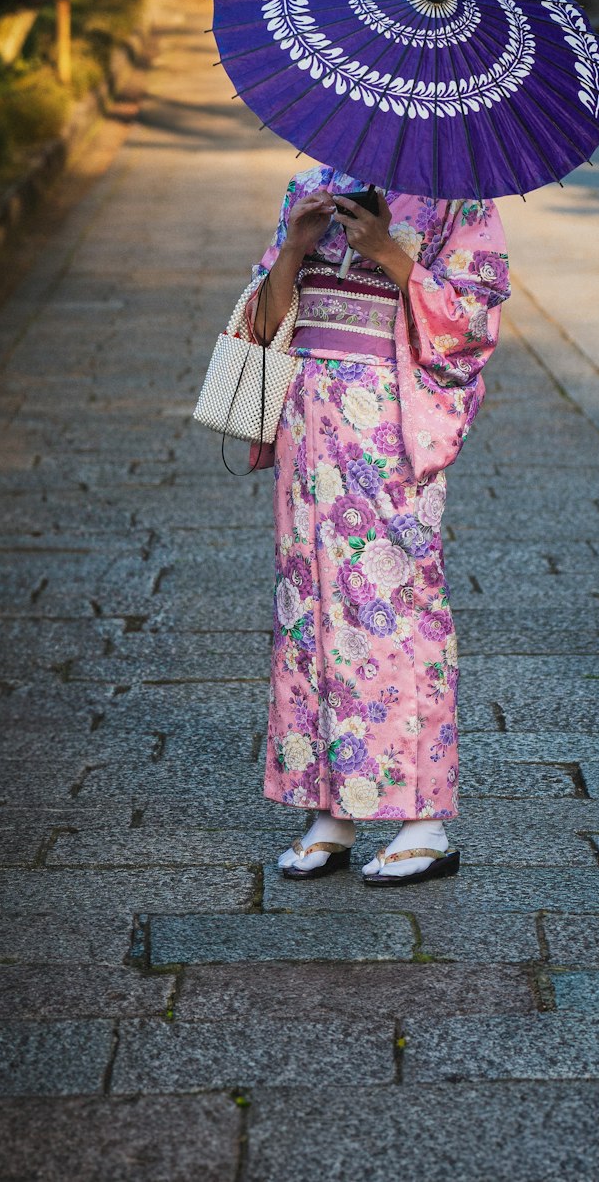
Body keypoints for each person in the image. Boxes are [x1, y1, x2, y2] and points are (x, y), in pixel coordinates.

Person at [245, 163, 509, 883]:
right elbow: (262, 326)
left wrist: (391, 254)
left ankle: (425, 821)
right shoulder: (314, 185)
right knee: (310, 608)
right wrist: (297, 246)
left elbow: (473, 328)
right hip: (308, 416)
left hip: (389, 424)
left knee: (395, 604)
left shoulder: (459, 194)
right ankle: (331, 805)